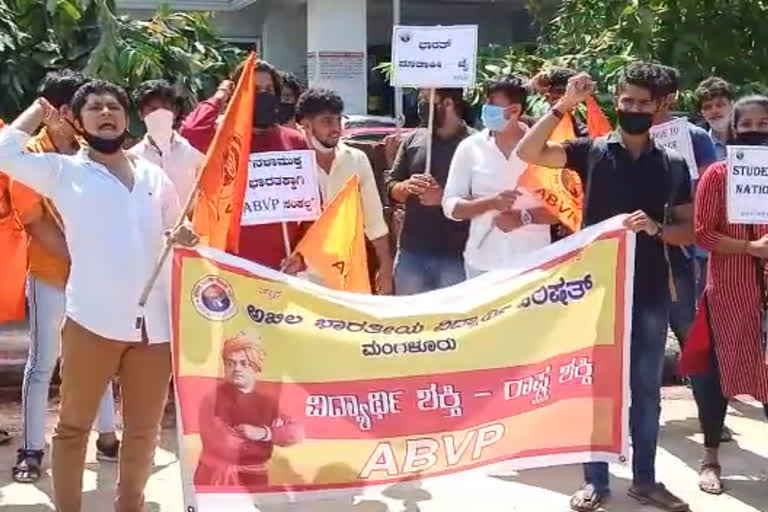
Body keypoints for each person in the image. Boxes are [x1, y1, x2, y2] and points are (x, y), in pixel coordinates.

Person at [0, 80, 196, 512]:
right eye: (94, 108)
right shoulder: (63, 170)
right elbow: (4, 153)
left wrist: (184, 237)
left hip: (154, 328)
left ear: (127, 117)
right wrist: (37, 109)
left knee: (143, 433)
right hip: (92, 320)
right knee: (73, 428)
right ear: (78, 119)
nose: (106, 113)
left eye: (114, 106)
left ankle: (131, 506)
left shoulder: (153, 175)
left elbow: (176, 235)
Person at [518, 62, 694, 512]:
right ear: (616, 100)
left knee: (646, 391)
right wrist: (565, 104)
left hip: (650, 290)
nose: (632, 109)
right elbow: (528, 151)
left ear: (661, 107)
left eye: (642, 103)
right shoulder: (591, 152)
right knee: (596, 388)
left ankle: (646, 480)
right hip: (594, 290)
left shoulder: (672, 164)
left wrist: (656, 228)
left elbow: (687, 230)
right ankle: (595, 481)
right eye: (626, 100)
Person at [9, 71, 120, 484]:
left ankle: (108, 438)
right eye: (77, 108)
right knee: (43, 365)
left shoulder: (94, 153)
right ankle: (32, 449)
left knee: (100, 360)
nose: (86, 116)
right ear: (57, 112)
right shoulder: (30, 156)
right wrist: (84, 259)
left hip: (95, 279)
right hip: (52, 277)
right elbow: (36, 222)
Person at [689, 95, 768, 495]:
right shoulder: (717, 175)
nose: (756, 131)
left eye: (763, 124)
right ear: (735, 130)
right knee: (715, 376)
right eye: (748, 125)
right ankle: (710, 457)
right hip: (730, 291)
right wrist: (750, 249)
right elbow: (702, 233)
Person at [181, 59, 311, 270]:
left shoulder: (295, 141)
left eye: (268, 89)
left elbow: (310, 208)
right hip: (227, 263)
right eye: (254, 89)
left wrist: (302, 256)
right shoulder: (222, 138)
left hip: (279, 268)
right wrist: (222, 94)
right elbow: (191, 131)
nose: (263, 95)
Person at [442, 75, 556, 278]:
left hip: (533, 267)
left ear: (515, 111)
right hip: (482, 265)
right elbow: (451, 207)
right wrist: (490, 203)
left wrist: (524, 217)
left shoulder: (546, 149)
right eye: (486, 102)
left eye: (492, 104)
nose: (486, 109)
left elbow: (566, 208)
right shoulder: (470, 147)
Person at [295, 88, 393, 293]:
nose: (335, 128)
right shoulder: (292, 163)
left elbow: (374, 221)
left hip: (350, 275)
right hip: (303, 278)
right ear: (306, 125)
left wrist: (385, 266)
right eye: (326, 121)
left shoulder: (356, 159)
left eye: (338, 120)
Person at [654, 65, 718, 362]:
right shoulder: (621, 136)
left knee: (683, 315)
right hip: (637, 238)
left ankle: (701, 378)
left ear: (672, 97)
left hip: (682, 238)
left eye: (661, 95)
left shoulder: (694, 137)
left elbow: (707, 186)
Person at [385, 88, 472, 294]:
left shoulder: (475, 145)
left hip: (457, 257)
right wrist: (404, 188)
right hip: (411, 253)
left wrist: (444, 199)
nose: (420, 105)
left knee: (452, 324)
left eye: (425, 99)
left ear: (448, 104)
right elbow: (390, 186)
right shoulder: (413, 140)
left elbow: (487, 200)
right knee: (407, 321)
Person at [194, 332, 303, 488]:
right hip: (217, 480)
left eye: (244, 363)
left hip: (256, 479)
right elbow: (226, 444)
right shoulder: (213, 399)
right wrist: (275, 437)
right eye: (231, 363)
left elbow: (297, 433)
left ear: (256, 366)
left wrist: (264, 433)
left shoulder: (268, 401)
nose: (236, 369)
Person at [129, 79, 204, 207]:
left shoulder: (194, 152)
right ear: (141, 114)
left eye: (166, 109)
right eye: (153, 109)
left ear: (174, 112)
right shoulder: (132, 159)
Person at [696, 77, 735, 161]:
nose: (714, 111)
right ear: (701, 113)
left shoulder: (749, 141)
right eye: (707, 107)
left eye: (720, 105)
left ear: (732, 105)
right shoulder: (696, 146)